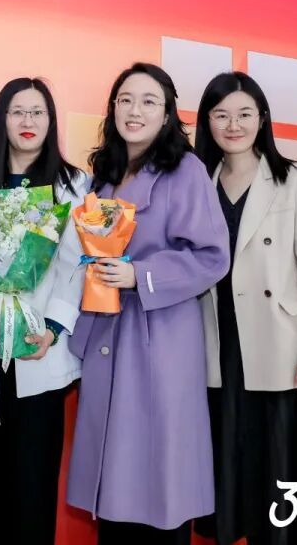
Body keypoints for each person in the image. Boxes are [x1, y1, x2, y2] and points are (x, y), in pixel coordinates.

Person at [66, 63, 230, 544]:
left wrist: (141, 275)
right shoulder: (104, 176)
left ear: (167, 114)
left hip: (160, 339)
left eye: (148, 101)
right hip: (107, 332)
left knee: (159, 477)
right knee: (113, 480)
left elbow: (212, 256)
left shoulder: (185, 170)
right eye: (126, 100)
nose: (135, 111)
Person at [193, 71, 297, 545]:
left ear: (262, 119)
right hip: (217, 343)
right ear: (207, 122)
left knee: (282, 470)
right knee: (232, 468)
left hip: (282, 347)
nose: (233, 125)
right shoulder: (197, 182)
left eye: (244, 114)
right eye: (221, 115)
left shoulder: (294, 179)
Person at [0, 77, 87, 544]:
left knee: (33, 483)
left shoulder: (71, 184)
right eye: (18, 111)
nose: (28, 121)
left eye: (38, 112)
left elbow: (75, 265)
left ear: (51, 121)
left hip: (35, 345)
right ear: (1, 119)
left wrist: (53, 328)